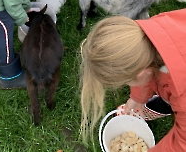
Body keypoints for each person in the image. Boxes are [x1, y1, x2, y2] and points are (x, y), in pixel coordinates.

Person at [80, 9, 186, 151]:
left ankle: (170, 105)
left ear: (142, 74)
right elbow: (144, 60)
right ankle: (166, 102)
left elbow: (181, 144)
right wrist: (137, 98)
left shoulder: (183, 97)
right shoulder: (148, 35)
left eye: (126, 81)